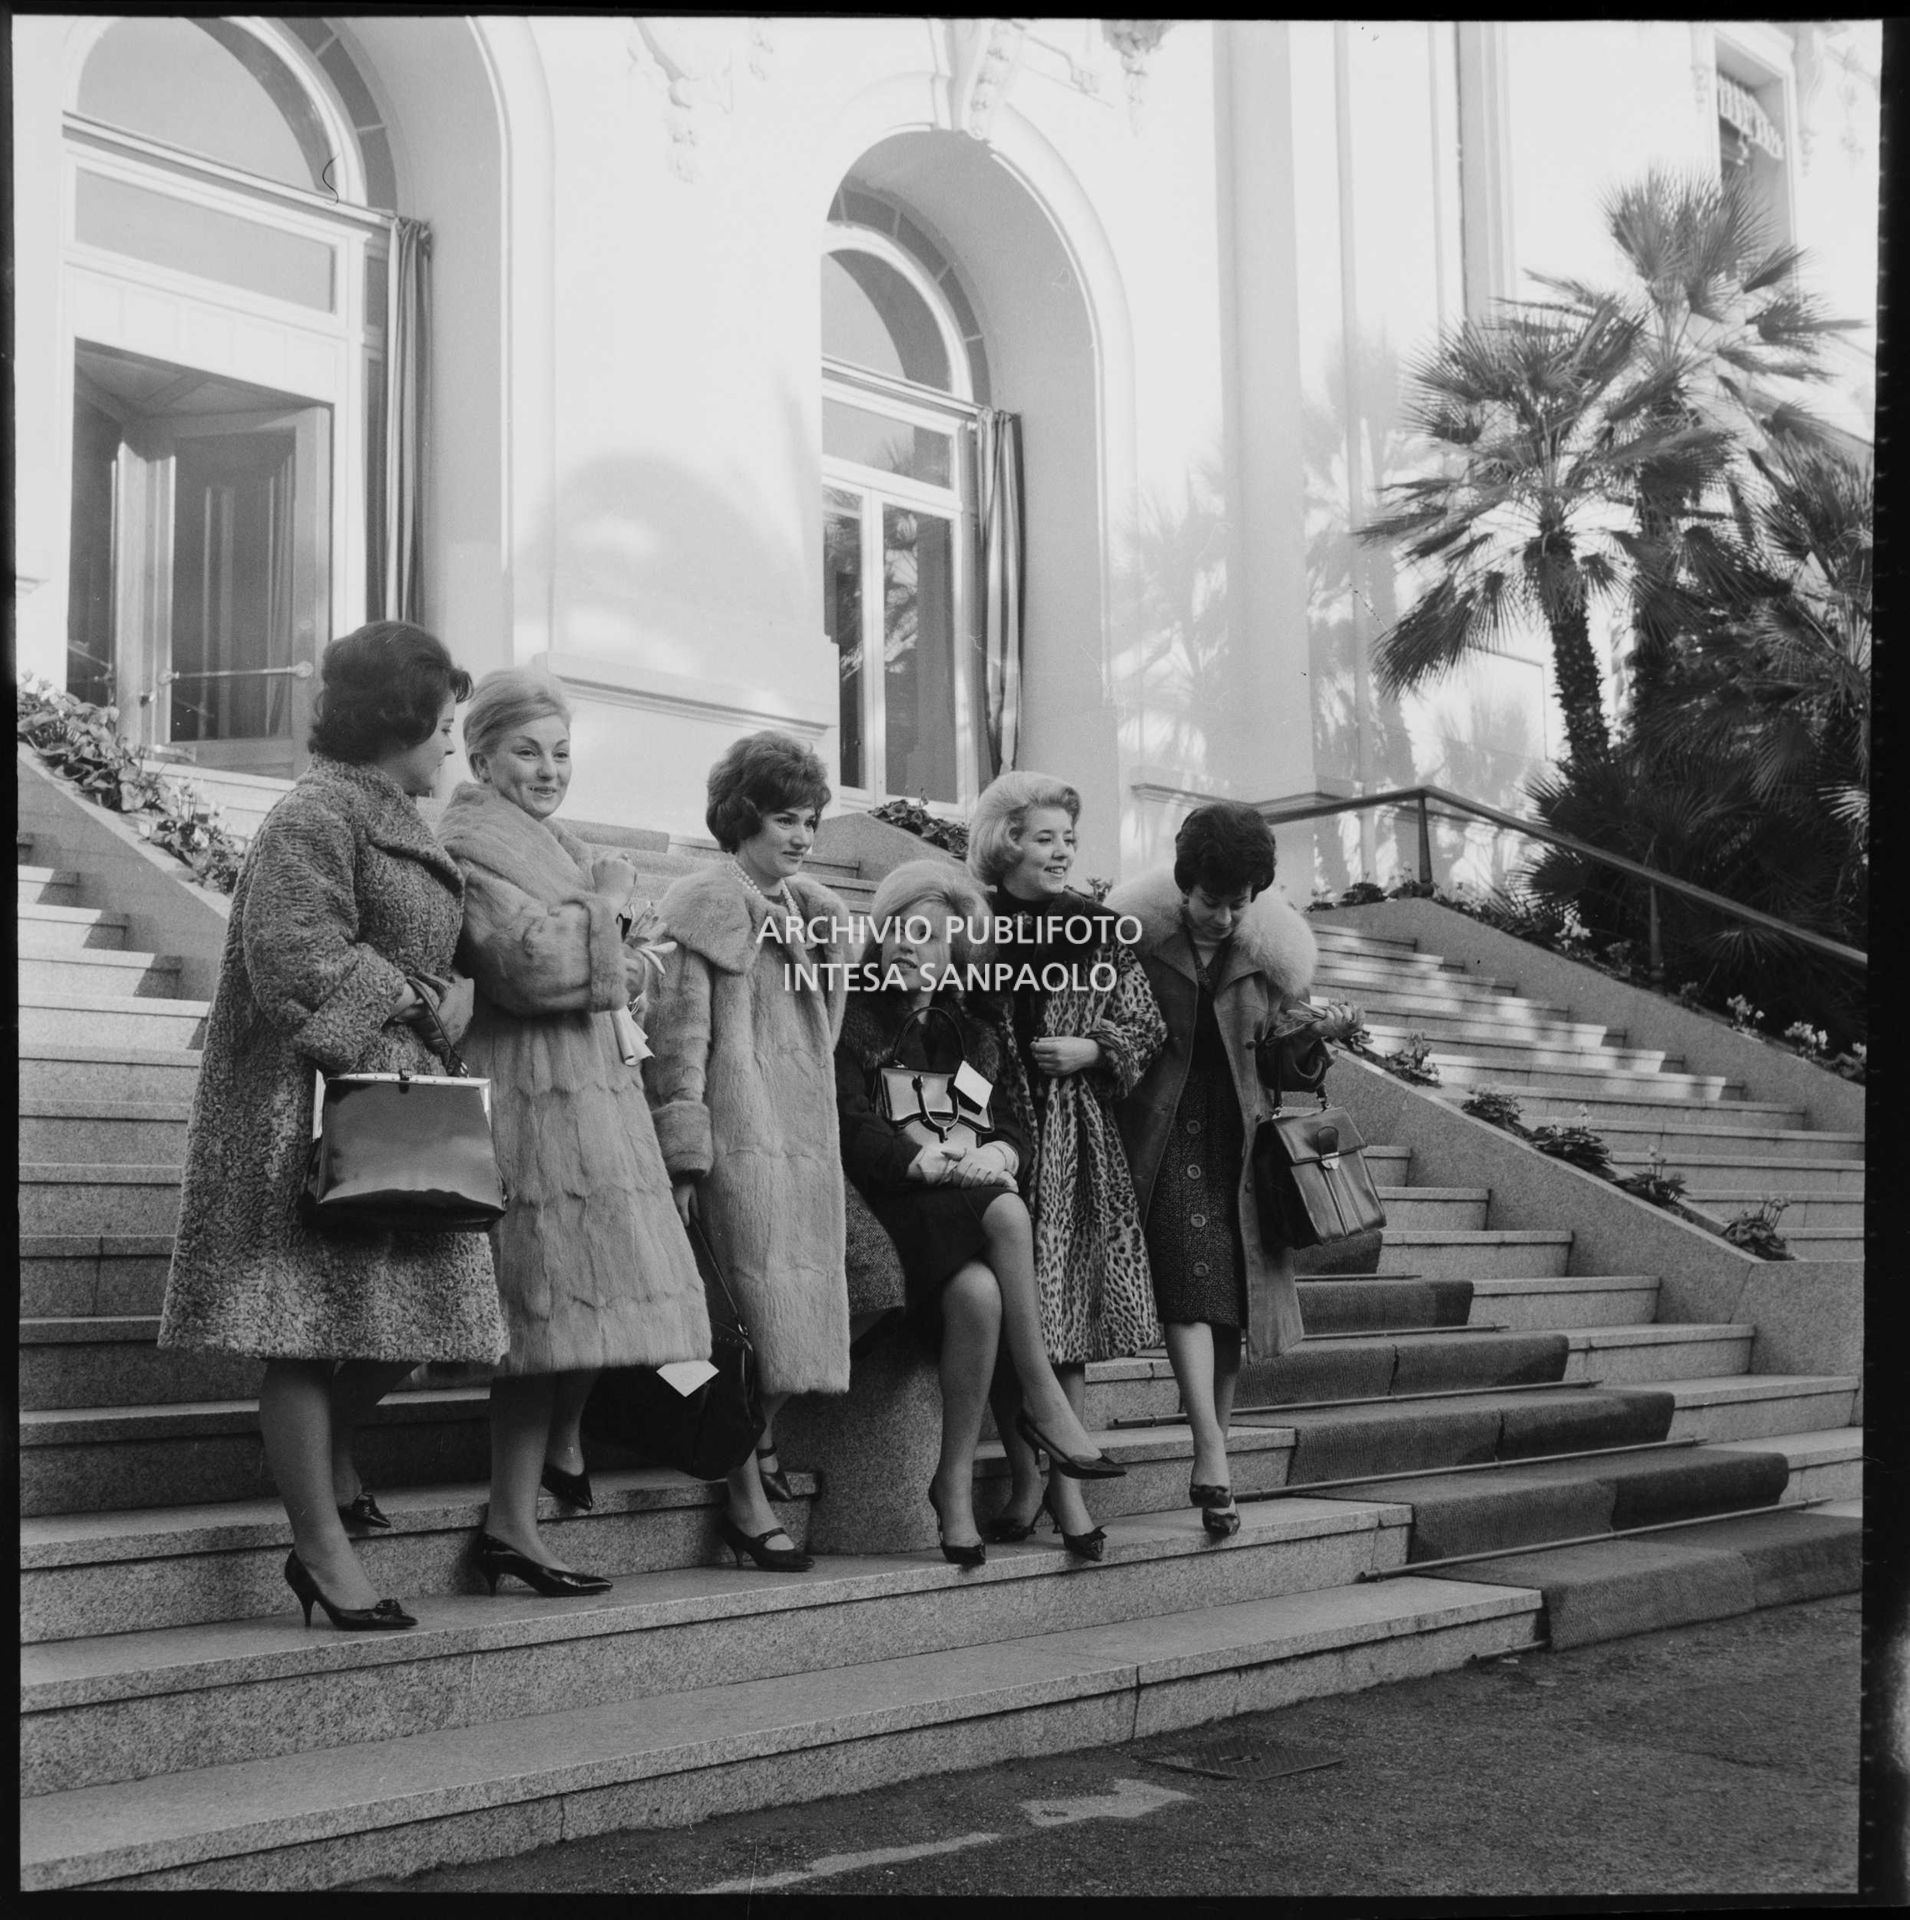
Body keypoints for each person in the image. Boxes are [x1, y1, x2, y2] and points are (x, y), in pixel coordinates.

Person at [158, 622, 510, 1631]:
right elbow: (292, 958)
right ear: (397, 719)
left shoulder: (387, 811)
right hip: (302, 1114)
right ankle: (319, 1548)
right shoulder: (315, 812)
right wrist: (410, 995)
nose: (450, 745)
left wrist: (447, 1003)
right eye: (442, 724)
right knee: (308, 1342)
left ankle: (323, 1460)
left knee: (420, 1319)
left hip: (388, 1100)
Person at [437, 669, 712, 1597]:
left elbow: (626, 969)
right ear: (481, 757)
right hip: (527, 1106)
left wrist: (612, 934)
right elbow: (531, 967)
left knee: (577, 1311)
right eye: (528, 750)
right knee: (539, 1317)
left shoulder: (556, 844)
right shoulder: (470, 845)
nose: (549, 769)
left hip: (590, 1105)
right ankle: (510, 1523)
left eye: (560, 752)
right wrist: (605, 910)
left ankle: (534, 1490)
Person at [834, 858, 1126, 1567]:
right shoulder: (855, 1013)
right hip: (882, 1210)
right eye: (903, 931)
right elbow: (847, 1122)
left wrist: (998, 1154)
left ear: (955, 954)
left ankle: (953, 1487)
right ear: (881, 937)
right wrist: (917, 1158)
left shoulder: (967, 1033)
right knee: (1005, 1216)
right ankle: (1042, 1398)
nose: (913, 947)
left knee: (981, 1291)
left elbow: (1003, 1126)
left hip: (951, 1218)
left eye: (933, 938)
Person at [1109, 802, 1362, 1537]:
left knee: (1229, 1309)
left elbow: (1285, 1061)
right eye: (1210, 901)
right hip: (1163, 1138)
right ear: (1183, 884)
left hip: (1243, 1147)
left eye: (1238, 903)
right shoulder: (1136, 937)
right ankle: (1212, 1451)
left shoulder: (1274, 954)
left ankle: (1212, 1464)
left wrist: (1318, 1039)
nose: (1222, 916)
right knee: (1189, 1292)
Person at [644, 732, 852, 1572]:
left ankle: (751, 1447)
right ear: (741, 818)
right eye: (781, 820)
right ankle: (744, 1497)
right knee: (747, 1330)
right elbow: (677, 1038)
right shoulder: (706, 903)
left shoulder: (815, 912)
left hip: (803, 1145)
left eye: (808, 820)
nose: (800, 837)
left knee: (812, 1325)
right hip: (738, 1144)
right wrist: (685, 1155)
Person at [966, 772, 1161, 1562]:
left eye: (1068, 841)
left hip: (1071, 1142)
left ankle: (1068, 1494)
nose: (1060, 853)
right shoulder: (970, 919)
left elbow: (1143, 1024)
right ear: (1007, 840)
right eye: (1044, 838)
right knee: (1017, 1322)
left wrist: (1094, 1049)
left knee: (1064, 1325)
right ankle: (1026, 1479)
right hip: (983, 1132)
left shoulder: (1097, 928)